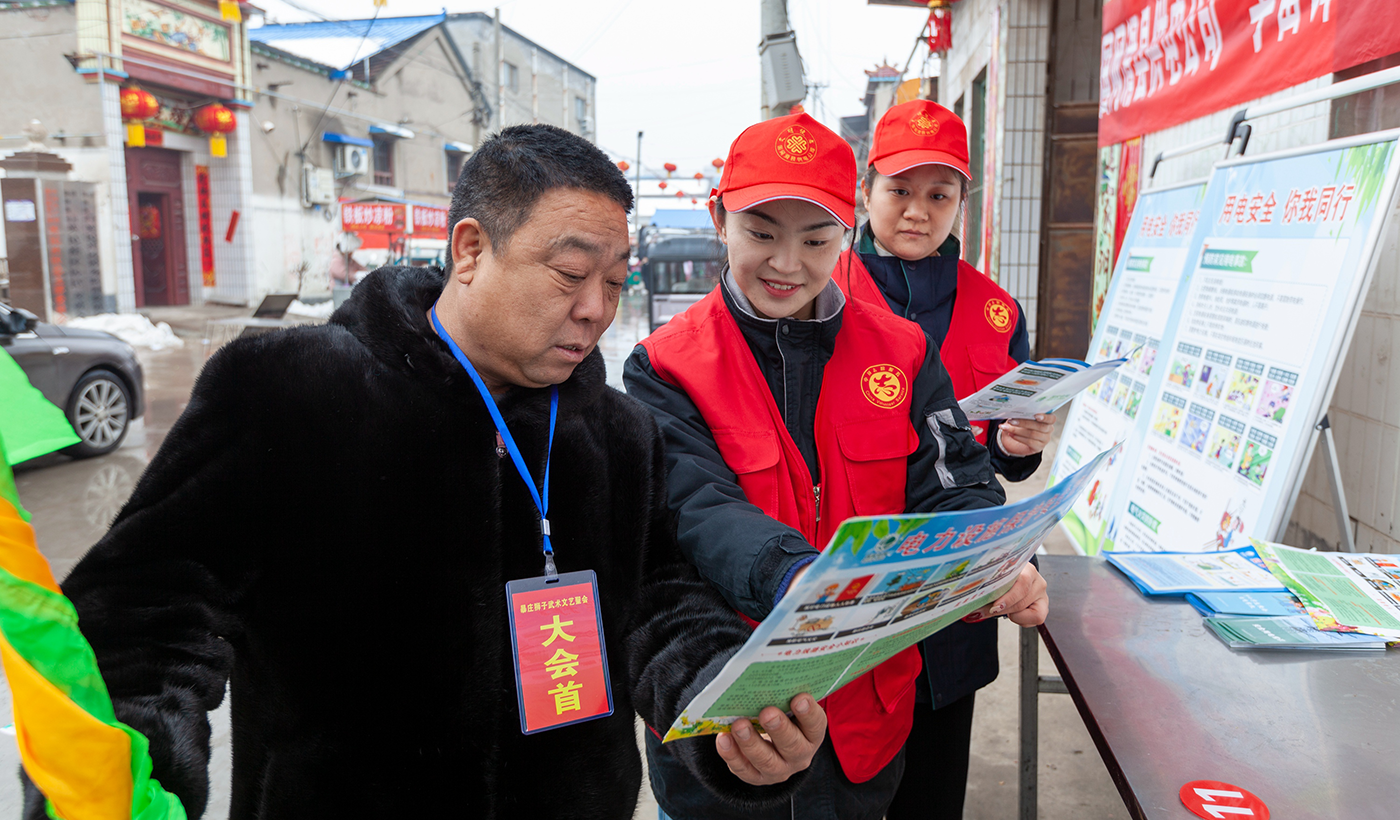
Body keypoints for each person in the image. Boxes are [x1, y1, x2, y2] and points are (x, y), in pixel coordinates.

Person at [26, 125, 819, 819]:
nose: (596, 310)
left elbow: (661, 604)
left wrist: (724, 706)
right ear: (471, 249)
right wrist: (127, 766)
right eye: (571, 274)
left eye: (614, 283)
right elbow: (148, 612)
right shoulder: (287, 391)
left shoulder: (616, 432)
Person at [624, 112, 1046, 820]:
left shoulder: (904, 351)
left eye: (816, 239)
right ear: (718, 217)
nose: (788, 265)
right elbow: (699, 506)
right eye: (761, 234)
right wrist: (808, 583)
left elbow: (952, 479)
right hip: (729, 717)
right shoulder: (665, 365)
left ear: (846, 234)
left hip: (864, 719)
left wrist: (994, 557)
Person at [837, 99, 1052, 820]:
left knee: (931, 785)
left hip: (956, 580)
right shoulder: (817, 288)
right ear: (868, 190)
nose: (917, 212)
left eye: (940, 194)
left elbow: (997, 456)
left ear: (965, 199)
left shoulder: (997, 309)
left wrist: (1018, 448)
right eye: (899, 190)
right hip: (848, 583)